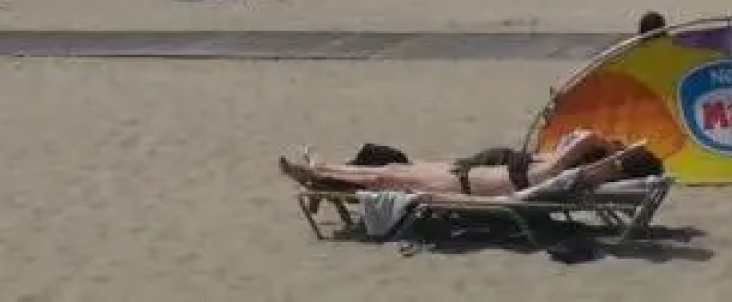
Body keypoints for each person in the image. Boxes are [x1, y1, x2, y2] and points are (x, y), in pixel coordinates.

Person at [279, 131, 662, 198]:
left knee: (388, 175)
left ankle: (319, 170)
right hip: (476, 178)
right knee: (393, 172)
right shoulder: (583, 173)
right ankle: (323, 171)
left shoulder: (585, 172)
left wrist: (612, 148)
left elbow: (585, 140)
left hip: (474, 186)